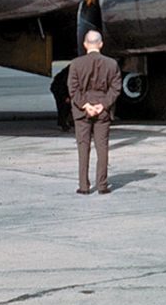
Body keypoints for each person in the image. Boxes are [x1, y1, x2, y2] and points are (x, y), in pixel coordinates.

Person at [68, 30, 122, 194]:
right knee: (102, 148)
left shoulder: (76, 64)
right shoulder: (111, 64)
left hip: (81, 111)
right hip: (103, 112)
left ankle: (84, 186)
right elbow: (116, 87)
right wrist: (102, 105)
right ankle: (102, 186)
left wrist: (85, 105)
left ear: (85, 44)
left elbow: (73, 89)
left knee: (83, 148)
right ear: (101, 44)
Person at [49, 65, 73, 131]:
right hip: (58, 88)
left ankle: (67, 122)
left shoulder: (71, 69)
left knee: (65, 105)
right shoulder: (70, 72)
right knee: (64, 106)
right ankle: (63, 123)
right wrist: (66, 96)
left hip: (58, 87)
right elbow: (64, 84)